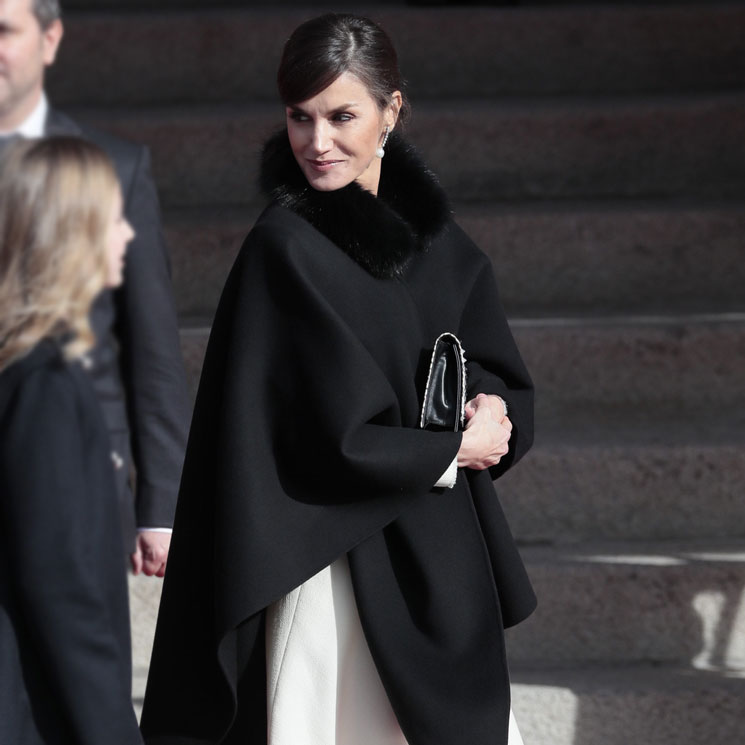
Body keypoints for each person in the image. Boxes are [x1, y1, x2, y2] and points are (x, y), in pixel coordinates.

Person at [141, 13, 535, 745]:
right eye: (299, 117)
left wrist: (493, 411)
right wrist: (450, 450)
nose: (316, 143)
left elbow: (495, 366)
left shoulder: (438, 240)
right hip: (330, 571)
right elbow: (313, 438)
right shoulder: (284, 248)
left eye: (341, 115)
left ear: (392, 110)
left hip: (437, 565)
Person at [0, 0, 190, 575]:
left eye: (3, 32)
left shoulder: (115, 167)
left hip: (80, 485)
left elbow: (151, 343)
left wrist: (159, 507)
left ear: (50, 39)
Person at [0, 136, 143, 745]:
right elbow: (60, 585)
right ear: (75, 234)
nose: (128, 235)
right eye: (113, 220)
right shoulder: (47, 386)